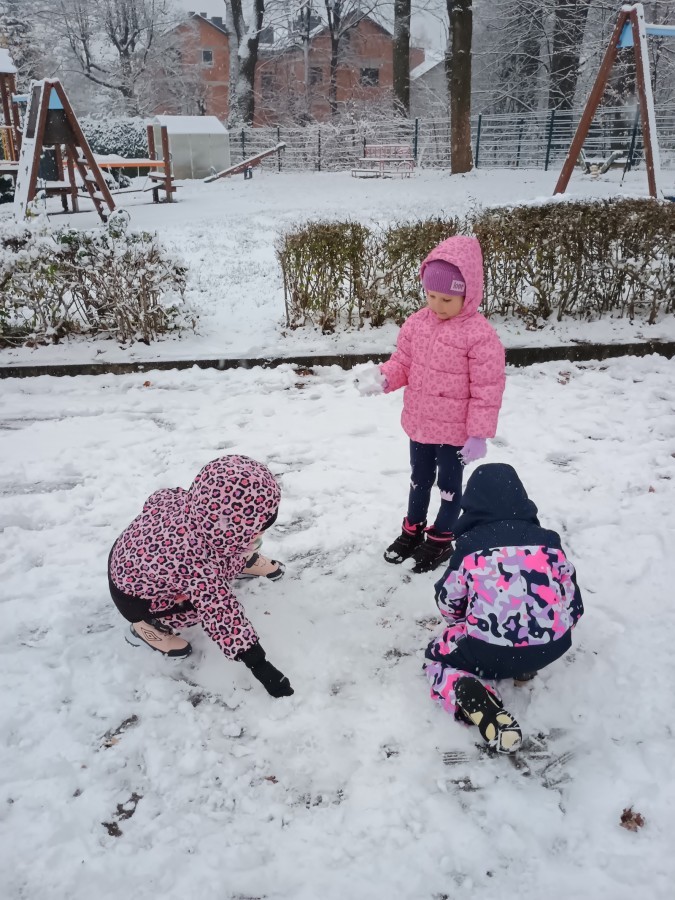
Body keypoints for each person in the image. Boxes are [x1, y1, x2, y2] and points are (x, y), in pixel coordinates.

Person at [358, 235, 506, 573]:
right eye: (431, 295)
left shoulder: (479, 335)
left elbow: (488, 389)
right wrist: (384, 378)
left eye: (447, 299)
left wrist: (478, 434)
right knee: (419, 480)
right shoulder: (417, 323)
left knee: (450, 488)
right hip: (421, 424)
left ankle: (441, 540)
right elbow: (403, 363)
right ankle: (413, 530)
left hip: (455, 433)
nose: (437, 305)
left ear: (468, 294)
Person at [424, 464, 584, 753]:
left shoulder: (471, 546)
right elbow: (573, 600)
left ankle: (468, 692)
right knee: (532, 625)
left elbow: (448, 601)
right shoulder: (549, 542)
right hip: (552, 646)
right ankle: (526, 667)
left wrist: (463, 622)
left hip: (488, 650)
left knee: (436, 658)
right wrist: (554, 627)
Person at [108, 455, 294, 698]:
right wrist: (260, 665)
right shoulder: (197, 565)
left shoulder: (191, 505)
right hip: (136, 597)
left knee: (226, 551)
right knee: (198, 608)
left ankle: (240, 558)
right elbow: (222, 614)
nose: (260, 534)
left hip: (138, 561)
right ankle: (144, 627)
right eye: (255, 531)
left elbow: (157, 498)